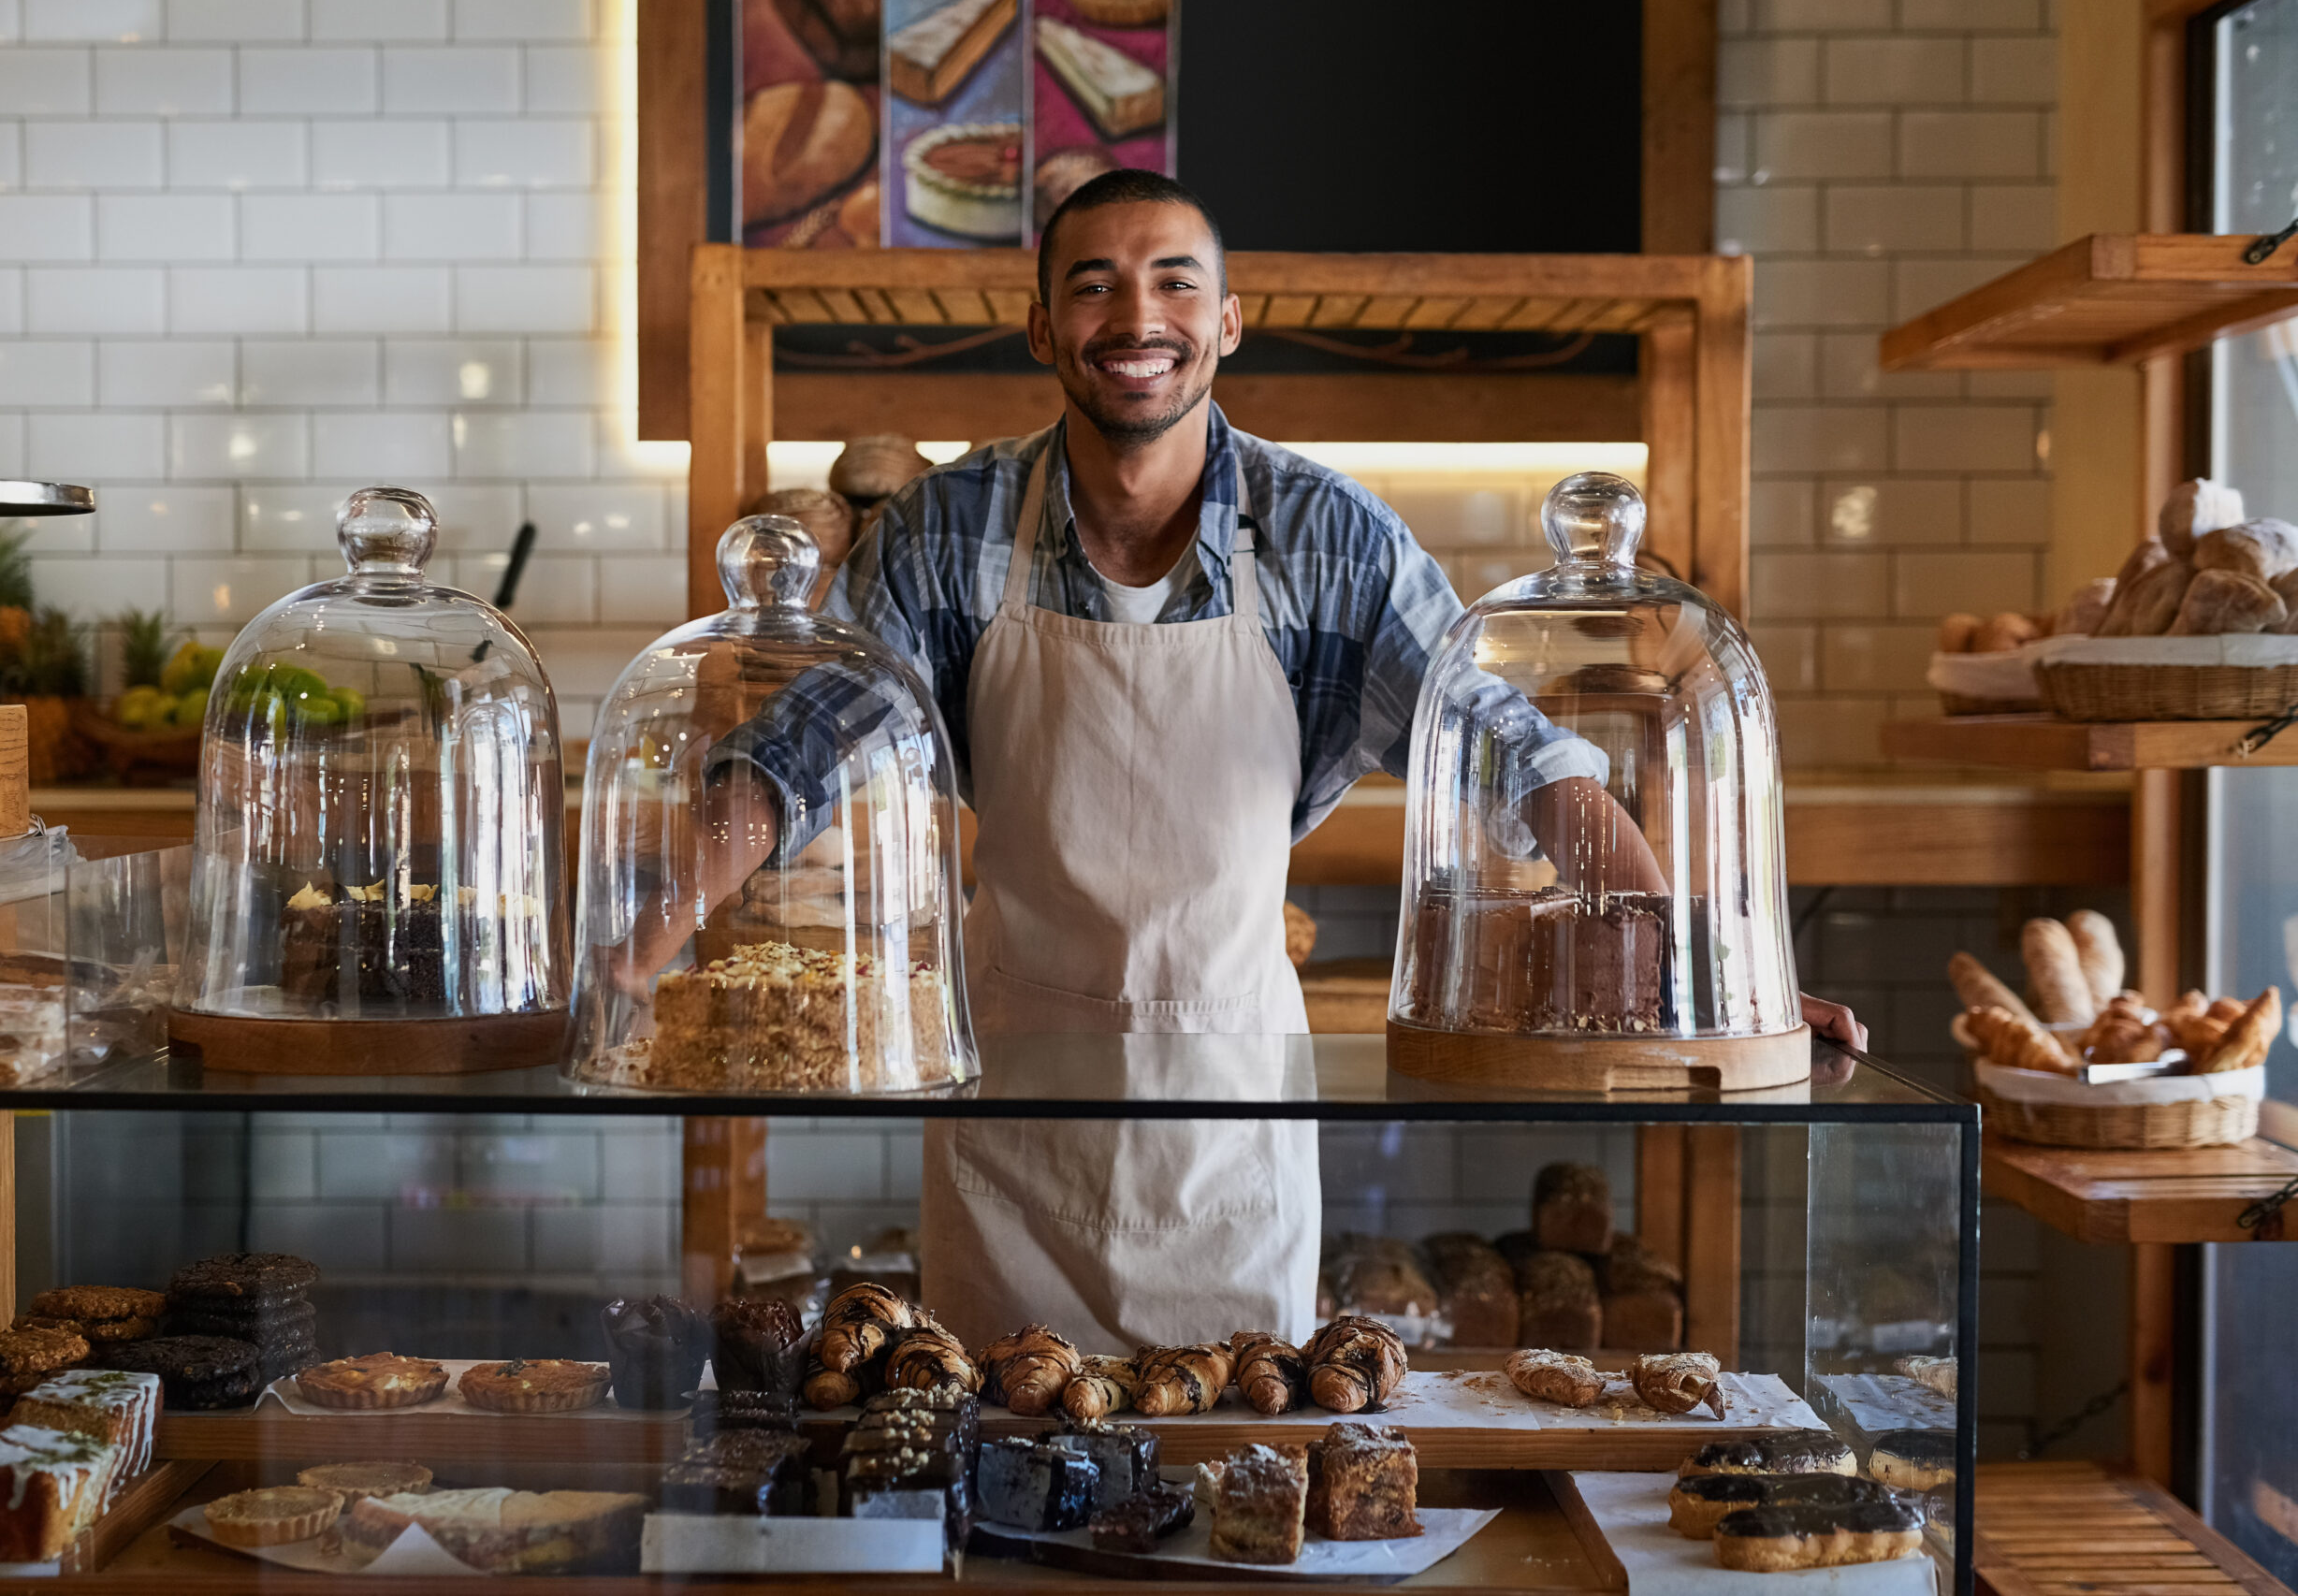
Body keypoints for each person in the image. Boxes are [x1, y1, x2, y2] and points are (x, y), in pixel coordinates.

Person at [689, 170, 1864, 1350]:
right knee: (1001, 1474)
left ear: (1228, 322)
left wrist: (1712, 984)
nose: (1136, 319)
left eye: (1174, 284)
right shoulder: (942, 532)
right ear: (1044, 325)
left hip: (1230, 1115)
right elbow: (797, 748)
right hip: (1012, 1120)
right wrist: (636, 959)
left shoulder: (1329, 539)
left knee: (1231, 1478)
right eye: (1093, 286)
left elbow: (1517, 757)